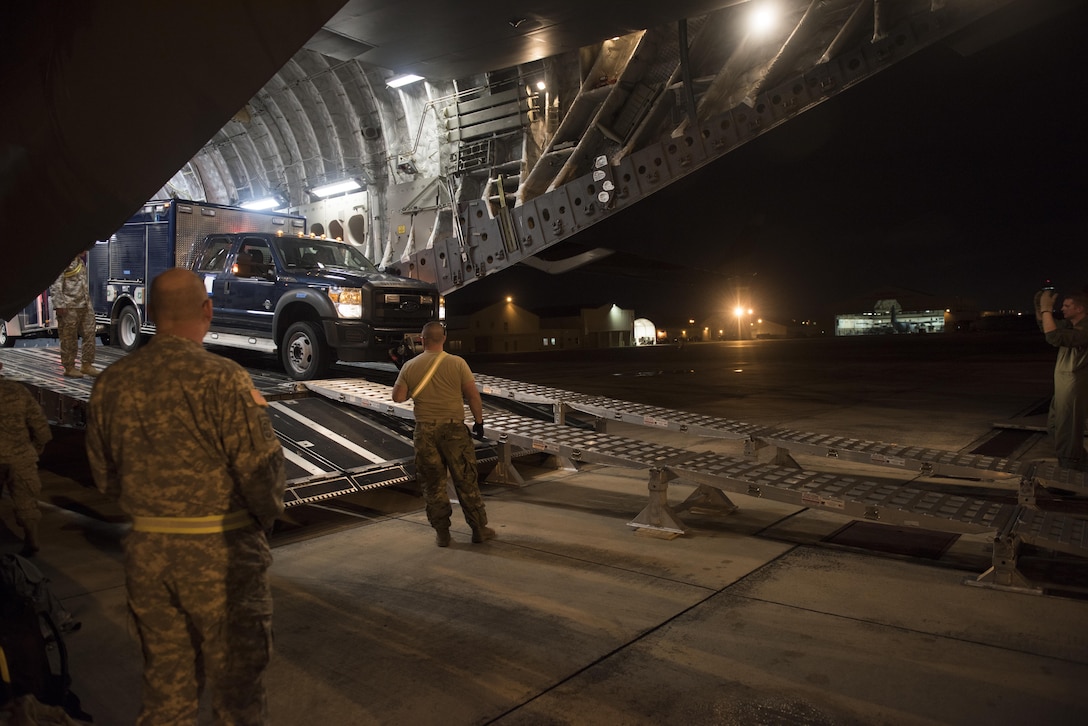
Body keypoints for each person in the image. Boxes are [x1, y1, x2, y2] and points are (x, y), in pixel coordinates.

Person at [85, 268, 286, 725]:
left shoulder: (111, 385)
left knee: (166, 692)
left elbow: (104, 477)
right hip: (223, 557)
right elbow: (262, 475)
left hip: (149, 557)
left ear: (151, 313)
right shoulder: (226, 380)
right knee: (238, 699)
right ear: (208, 311)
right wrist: (265, 518)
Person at [392, 321, 495, 547]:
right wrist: (479, 421)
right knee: (465, 479)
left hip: (425, 430)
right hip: (454, 430)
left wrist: (407, 377)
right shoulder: (458, 363)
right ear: (444, 338)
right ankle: (479, 529)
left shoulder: (410, 365)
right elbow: (473, 396)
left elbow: (398, 398)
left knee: (433, 484)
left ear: (422, 339)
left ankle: (442, 534)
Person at [0, 361, 52, 556]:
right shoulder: (18, 391)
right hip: (20, 456)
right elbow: (39, 423)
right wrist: (37, 448)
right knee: (26, 501)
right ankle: (32, 539)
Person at [1038, 289, 1088, 470]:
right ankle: (1080, 462)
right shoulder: (1070, 325)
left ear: (1080, 309)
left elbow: (1053, 336)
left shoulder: (1085, 329)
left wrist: (1046, 310)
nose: (1063, 309)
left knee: (1068, 429)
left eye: (1067, 306)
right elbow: (1047, 326)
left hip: (1074, 385)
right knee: (1055, 426)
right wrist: (1040, 307)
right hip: (1063, 384)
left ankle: (1070, 471)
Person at [48, 252, 98, 377]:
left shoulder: (79, 262)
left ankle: (87, 364)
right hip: (69, 305)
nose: (86, 252)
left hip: (85, 304)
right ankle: (69, 367)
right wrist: (59, 304)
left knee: (90, 333)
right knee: (69, 338)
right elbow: (55, 284)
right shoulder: (62, 261)